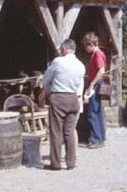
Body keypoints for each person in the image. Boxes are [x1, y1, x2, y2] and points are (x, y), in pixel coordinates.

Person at [42, 39, 85, 170]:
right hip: (73, 97)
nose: (60, 51)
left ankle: (55, 163)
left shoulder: (58, 62)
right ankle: (71, 162)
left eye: (61, 49)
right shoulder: (81, 65)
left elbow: (47, 79)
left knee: (56, 131)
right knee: (69, 131)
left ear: (65, 49)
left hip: (59, 97)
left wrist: (48, 91)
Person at [81, 32, 107, 148]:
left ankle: (96, 139)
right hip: (94, 83)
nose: (85, 49)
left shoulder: (97, 54)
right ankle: (100, 137)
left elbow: (101, 71)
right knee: (97, 111)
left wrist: (91, 84)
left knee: (92, 112)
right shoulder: (96, 54)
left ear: (90, 44)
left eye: (86, 46)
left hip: (95, 84)